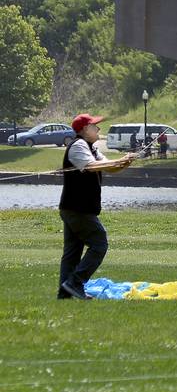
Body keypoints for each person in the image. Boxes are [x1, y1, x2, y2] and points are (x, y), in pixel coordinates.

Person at [58, 114, 135, 300]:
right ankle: (76, 282)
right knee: (100, 244)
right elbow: (92, 166)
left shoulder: (91, 148)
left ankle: (65, 294)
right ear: (85, 129)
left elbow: (107, 167)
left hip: (75, 207)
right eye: (95, 126)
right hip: (77, 209)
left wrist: (124, 162)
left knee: (72, 253)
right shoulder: (78, 146)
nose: (98, 130)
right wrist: (119, 160)